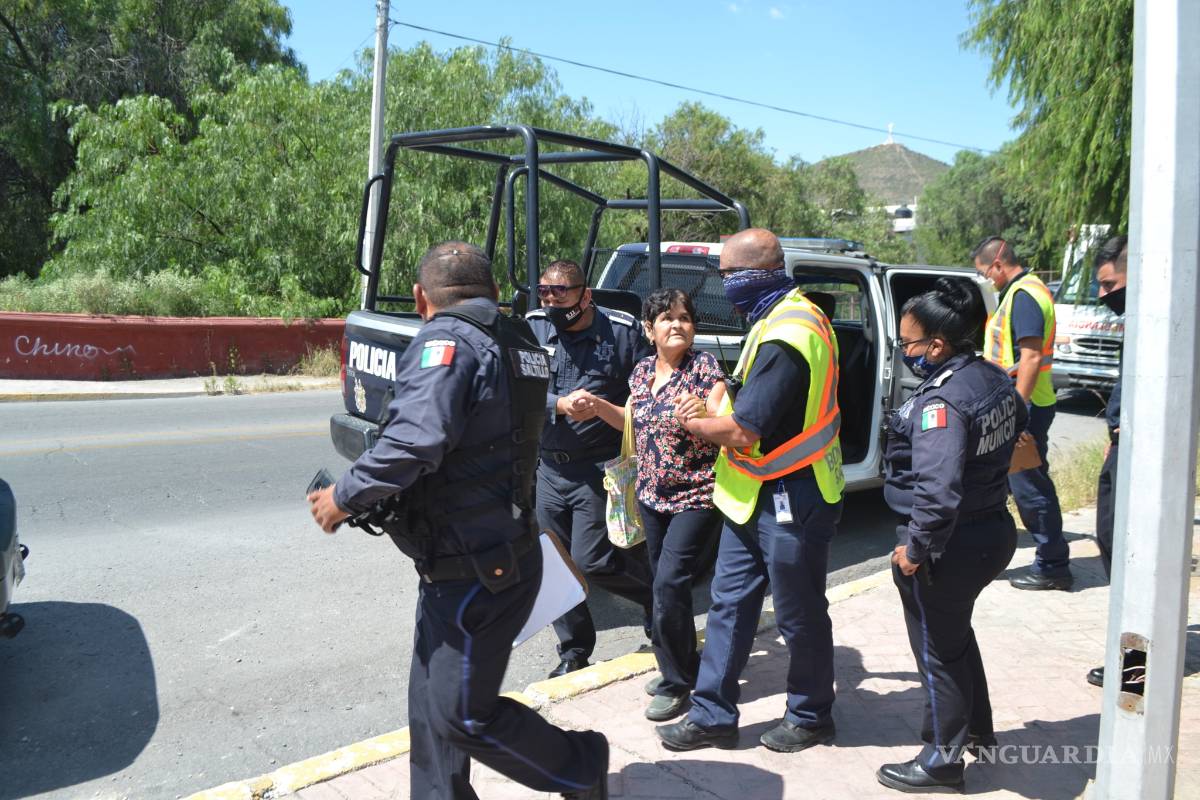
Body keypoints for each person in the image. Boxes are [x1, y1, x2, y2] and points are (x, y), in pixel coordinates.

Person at [307, 242, 609, 800]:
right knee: (429, 707)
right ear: (493, 291)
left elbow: (414, 440)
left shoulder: (446, 340)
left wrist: (341, 498)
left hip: (476, 567)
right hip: (483, 551)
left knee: (459, 716)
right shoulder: (519, 338)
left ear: (422, 298)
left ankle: (582, 765)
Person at [654, 228, 845, 755]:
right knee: (729, 604)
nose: (725, 284)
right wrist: (718, 397)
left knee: (798, 613)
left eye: (728, 274)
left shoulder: (791, 332)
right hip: (751, 494)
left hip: (795, 495)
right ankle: (712, 714)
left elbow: (744, 430)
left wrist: (690, 423)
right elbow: (744, 392)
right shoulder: (773, 318)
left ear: (755, 274)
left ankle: (810, 716)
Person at [876, 278, 1027, 793]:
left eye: (908, 344)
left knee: (937, 649)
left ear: (937, 346)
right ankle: (977, 732)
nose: (905, 352)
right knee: (955, 634)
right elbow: (1021, 428)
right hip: (992, 530)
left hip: (949, 544)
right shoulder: (990, 377)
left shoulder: (941, 403)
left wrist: (916, 550)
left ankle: (943, 758)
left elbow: (937, 494)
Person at [585, 287, 727, 722]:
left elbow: (724, 420)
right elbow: (631, 420)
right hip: (650, 495)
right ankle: (681, 665)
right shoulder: (642, 372)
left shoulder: (704, 368)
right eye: (666, 318)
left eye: (684, 317)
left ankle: (677, 681)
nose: (677, 325)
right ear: (649, 330)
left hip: (696, 495)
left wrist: (705, 411)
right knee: (665, 586)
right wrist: (596, 408)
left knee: (669, 584)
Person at [526, 259, 655, 678]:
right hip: (548, 469)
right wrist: (558, 406)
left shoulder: (621, 332)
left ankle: (656, 596)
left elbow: (649, 391)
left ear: (586, 294)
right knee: (553, 563)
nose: (551, 300)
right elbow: (514, 388)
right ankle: (574, 650)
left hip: (598, 469)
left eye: (560, 292)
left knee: (593, 559)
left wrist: (607, 410)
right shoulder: (534, 328)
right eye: (544, 291)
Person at [973, 236, 1071, 591]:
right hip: (1017, 404)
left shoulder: (1024, 295)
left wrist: (1016, 413)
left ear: (998, 264)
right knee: (1003, 486)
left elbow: (1029, 358)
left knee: (1029, 486)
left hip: (1026, 408)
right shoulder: (1018, 293)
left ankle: (1053, 564)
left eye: (985, 273)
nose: (987, 279)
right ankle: (996, 556)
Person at [1087, 234, 1134, 690]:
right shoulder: (1139, 322)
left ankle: (1135, 668)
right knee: (1113, 546)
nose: (1104, 296)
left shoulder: (1159, 323)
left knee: (1129, 555)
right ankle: (1131, 656)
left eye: (1109, 285)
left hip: (1139, 458)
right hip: (1124, 447)